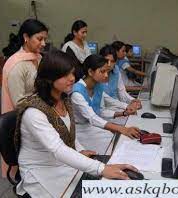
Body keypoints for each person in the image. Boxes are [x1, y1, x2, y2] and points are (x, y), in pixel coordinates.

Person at [14, 50, 137, 197]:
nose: (72, 78)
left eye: (72, 73)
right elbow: (58, 149)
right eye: (65, 75)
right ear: (49, 78)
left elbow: (69, 131)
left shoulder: (64, 99)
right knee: (106, 184)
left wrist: (78, 149)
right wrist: (101, 168)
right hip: (42, 173)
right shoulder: (34, 113)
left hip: (61, 165)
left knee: (118, 183)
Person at [1, 18, 48, 177]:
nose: (43, 43)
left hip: (39, 112)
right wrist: (43, 106)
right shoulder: (16, 65)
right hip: (25, 119)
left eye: (45, 39)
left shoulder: (38, 57)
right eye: (39, 39)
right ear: (26, 37)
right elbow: (19, 103)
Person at [71, 54, 140, 153]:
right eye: (102, 71)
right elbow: (92, 117)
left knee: (115, 137)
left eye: (107, 71)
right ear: (90, 72)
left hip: (91, 126)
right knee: (111, 140)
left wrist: (124, 112)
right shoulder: (77, 92)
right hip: (80, 130)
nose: (106, 75)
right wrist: (122, 129)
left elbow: (101, 109)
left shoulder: (97, 86)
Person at [99, 44, 142, 109]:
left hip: (116, 106)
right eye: (106, 61)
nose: (109, 65)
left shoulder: (115, 70)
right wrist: (125, 106)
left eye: (112, 61)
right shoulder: (96, 74)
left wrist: (132, 100)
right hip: (104, 108)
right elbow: (105, 99)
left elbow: (121, 91)